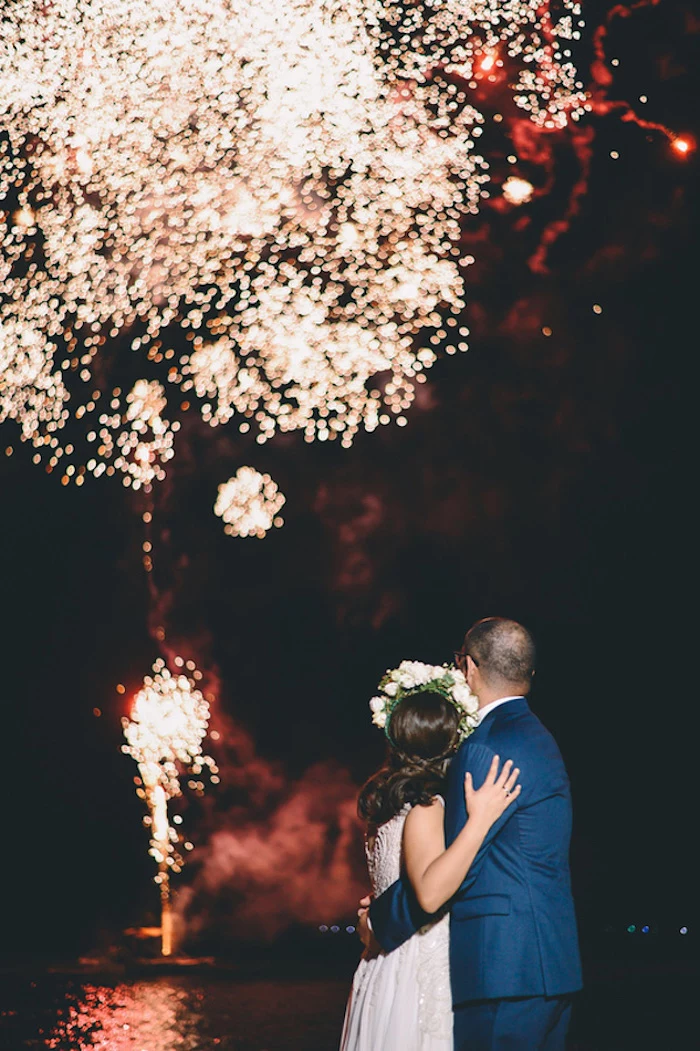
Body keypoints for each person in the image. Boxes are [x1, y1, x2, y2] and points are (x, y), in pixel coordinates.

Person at [360, 618, 583, 1051]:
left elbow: (453, 869)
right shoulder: (538, 737)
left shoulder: (484, 746)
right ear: (528, 673)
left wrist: (376, 922)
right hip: (549, 965)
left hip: (502, 970)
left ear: (468, 668)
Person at [340, 665, 521, 1051]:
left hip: (383, 959)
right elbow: (428, 893)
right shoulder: (424, 806)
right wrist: (481, 820)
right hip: (416, 964)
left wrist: (372, 918)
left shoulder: (386, 802)